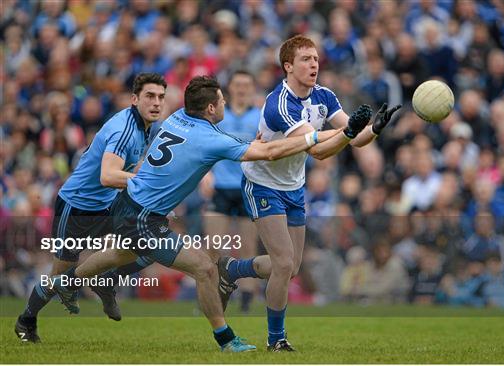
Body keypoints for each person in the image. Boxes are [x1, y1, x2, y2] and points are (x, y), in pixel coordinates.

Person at [49, 75, 369, 352]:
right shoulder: (210, 139)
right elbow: (270, 152)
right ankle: (226, 338)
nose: (226, 103)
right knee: (204, 267)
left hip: (130, 204)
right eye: (222, 100)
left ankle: (67, 282)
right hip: (143, 218)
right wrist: (316, 135)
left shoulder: (176, 117)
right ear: (212, 108)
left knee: (119, 255)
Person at [217, 35, 401, 351]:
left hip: (293, 186)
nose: (313, 64)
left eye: (315, 58)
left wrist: (374, 129)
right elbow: (317, 150)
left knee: (290, 266)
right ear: (288, 66)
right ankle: (277, 340)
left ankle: (233, 269)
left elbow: (354, 141)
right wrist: (349, 132)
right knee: (284, 262)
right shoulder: (279, 104)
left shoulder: (325, 96)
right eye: (305, 59)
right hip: (263, 184)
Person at [14, 73, 167, 343]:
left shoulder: (145, 126)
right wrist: (146, 183)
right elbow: (108, 176)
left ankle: (106, 281)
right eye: (150, 96)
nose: (157, 103)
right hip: (76, 207)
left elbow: (125, 172)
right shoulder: (125, 130)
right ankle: (26, 320)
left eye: (161, 97)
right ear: (135, 99)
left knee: (152, 244)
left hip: (107, 205)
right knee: (60, 275)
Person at [204, 70, 260, 313]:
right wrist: (205, 174)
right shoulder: (218, 117)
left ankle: (247, 299)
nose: (241, 89)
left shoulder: (260, 117)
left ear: (252, 89)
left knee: (248, 247)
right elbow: (204, 148)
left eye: (246, 84)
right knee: (214, 246)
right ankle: (212, 297)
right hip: (221, 189)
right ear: (230, 89)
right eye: (237, 84)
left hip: (249, 188)